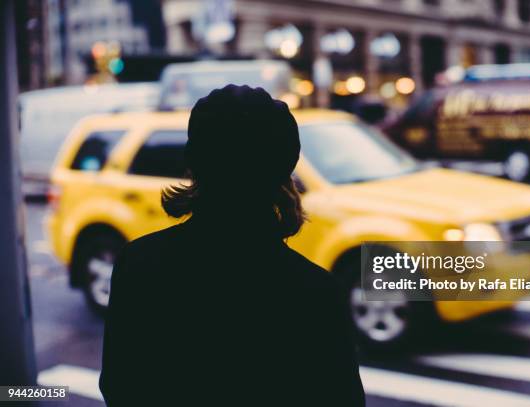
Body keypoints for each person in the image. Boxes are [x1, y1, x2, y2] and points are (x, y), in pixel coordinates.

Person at [99, 85, 365, 406]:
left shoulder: (138, 265)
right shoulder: (316, 293)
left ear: (192, 161)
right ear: (285, 169)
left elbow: (119, 386)